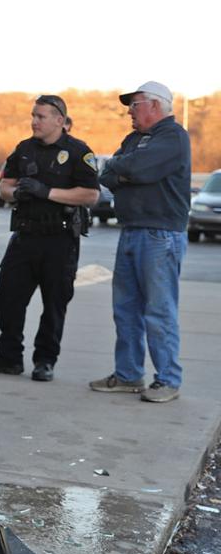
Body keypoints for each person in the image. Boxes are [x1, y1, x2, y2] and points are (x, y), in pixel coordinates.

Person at [0, 95, 99, 382]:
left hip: (60, 239)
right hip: (25, 236)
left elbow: (91, 195)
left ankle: (45, 361)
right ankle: (8, 357)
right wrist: (16, 193)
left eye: (40, 116)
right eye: (33, 115)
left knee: (54, 303)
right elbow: (4, 185)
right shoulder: (24, 148)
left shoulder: (78, 152)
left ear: (59, 120)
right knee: (8, 296)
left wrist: (46, 192)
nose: (34, 121)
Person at [89, 81, 191, 403]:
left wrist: (126, 169)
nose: (129, 112)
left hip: (160, 234)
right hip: (131, 230)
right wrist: (125, 170)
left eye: (134, 105)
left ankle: (168, 380)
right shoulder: (134, 139)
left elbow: (138, 168)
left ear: (155, 106)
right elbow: (106, 175)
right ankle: (129, 374)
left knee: (158, 311)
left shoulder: (173, 137)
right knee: (126, 309)